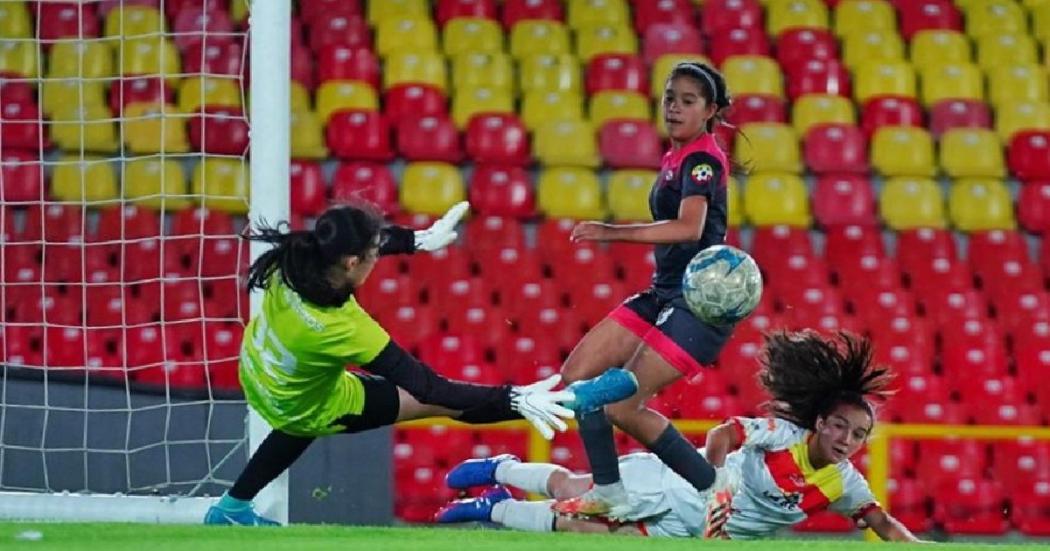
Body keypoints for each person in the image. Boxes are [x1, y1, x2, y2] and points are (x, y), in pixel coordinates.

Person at [203, 202, 591, 526]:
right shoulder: (344, 329)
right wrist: (513, 399)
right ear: (353, 262)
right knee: (432, 403)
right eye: (373, 255)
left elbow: (355, 244)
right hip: (303, 402)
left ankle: (232, 508)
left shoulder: (292, 263)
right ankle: (507, 459)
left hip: (258, 370)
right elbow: (427, 386)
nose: (376, 258)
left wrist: (414, 240)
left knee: (301, 407)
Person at [435, 331, 925, 543]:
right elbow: (724, 433)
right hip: (675, 485)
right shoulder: (783, 435)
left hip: (689, 532)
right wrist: (715, 485)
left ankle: (494, 507)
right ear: (820, 422)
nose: (846, 438)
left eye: (858, 434)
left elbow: (883, 525)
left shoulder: (846, 484)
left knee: (585, 530)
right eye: (839, 425)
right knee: (574, 491)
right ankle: (501, 469)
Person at [554, 61, 736, 517]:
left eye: (687, 101)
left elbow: (689, 229)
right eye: (670, 97)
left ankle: (713, 488)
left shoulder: (700, 160)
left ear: (710, 110)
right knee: (577, 376)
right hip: (663, 292)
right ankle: (610, 493)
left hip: (696, 304)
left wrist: (610, 232)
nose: (674, 108)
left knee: (620, 406)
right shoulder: (677, 153)